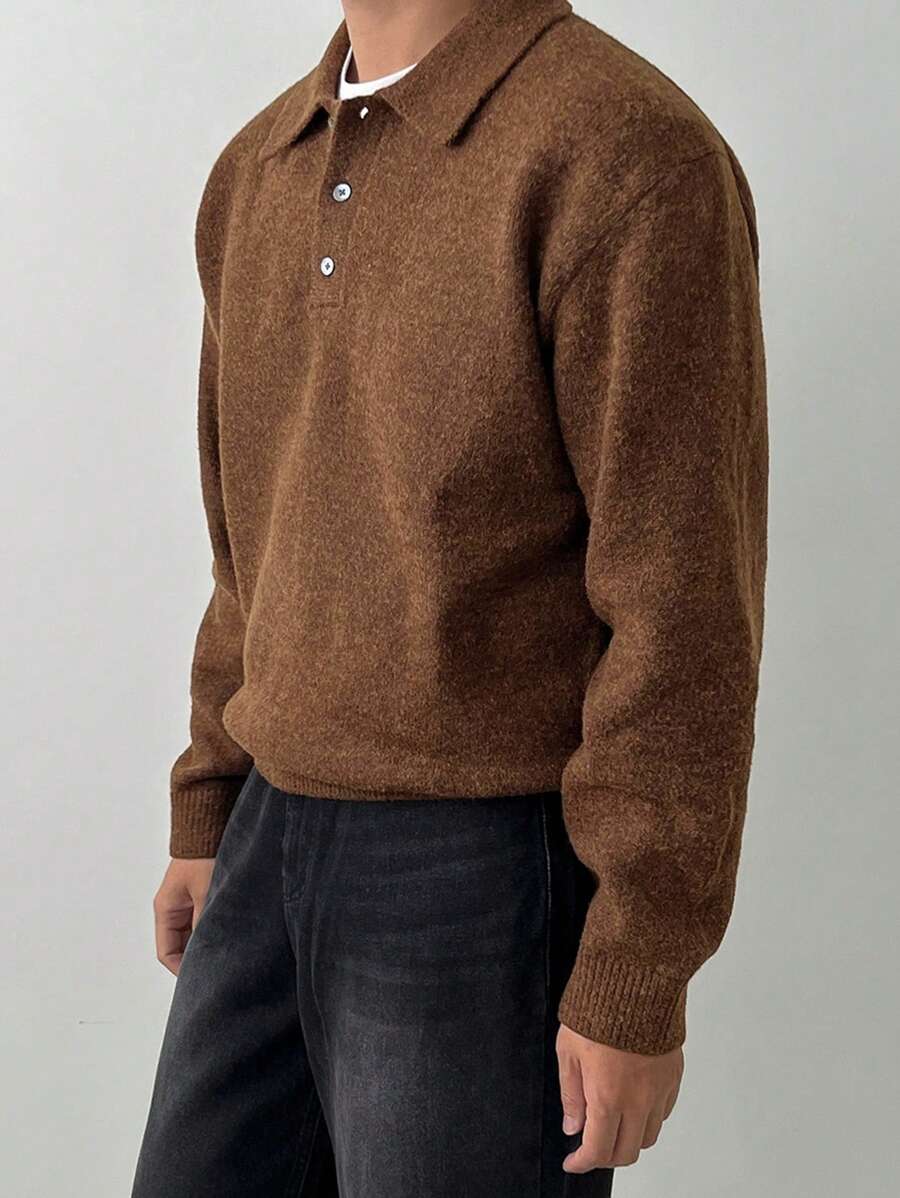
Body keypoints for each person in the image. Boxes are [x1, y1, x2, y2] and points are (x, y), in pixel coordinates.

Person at [131, 0, 767, 1194]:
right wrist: (210, 798)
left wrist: (638, 962)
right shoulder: (259, 167)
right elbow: (249, 540)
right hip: (267, 833)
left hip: (482, 864)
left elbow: (683, 605)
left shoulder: (627, 150)